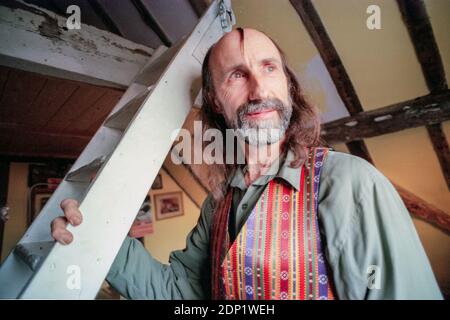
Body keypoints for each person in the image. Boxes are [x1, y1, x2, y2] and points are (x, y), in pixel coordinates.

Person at [51, 28, 442, 300]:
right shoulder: (217, 206)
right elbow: (183, 294)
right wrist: (95, 235)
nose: (258, 89)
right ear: (217, 103)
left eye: (269, 68)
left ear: (288, 86)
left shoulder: (350, 185)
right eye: (237, 75)